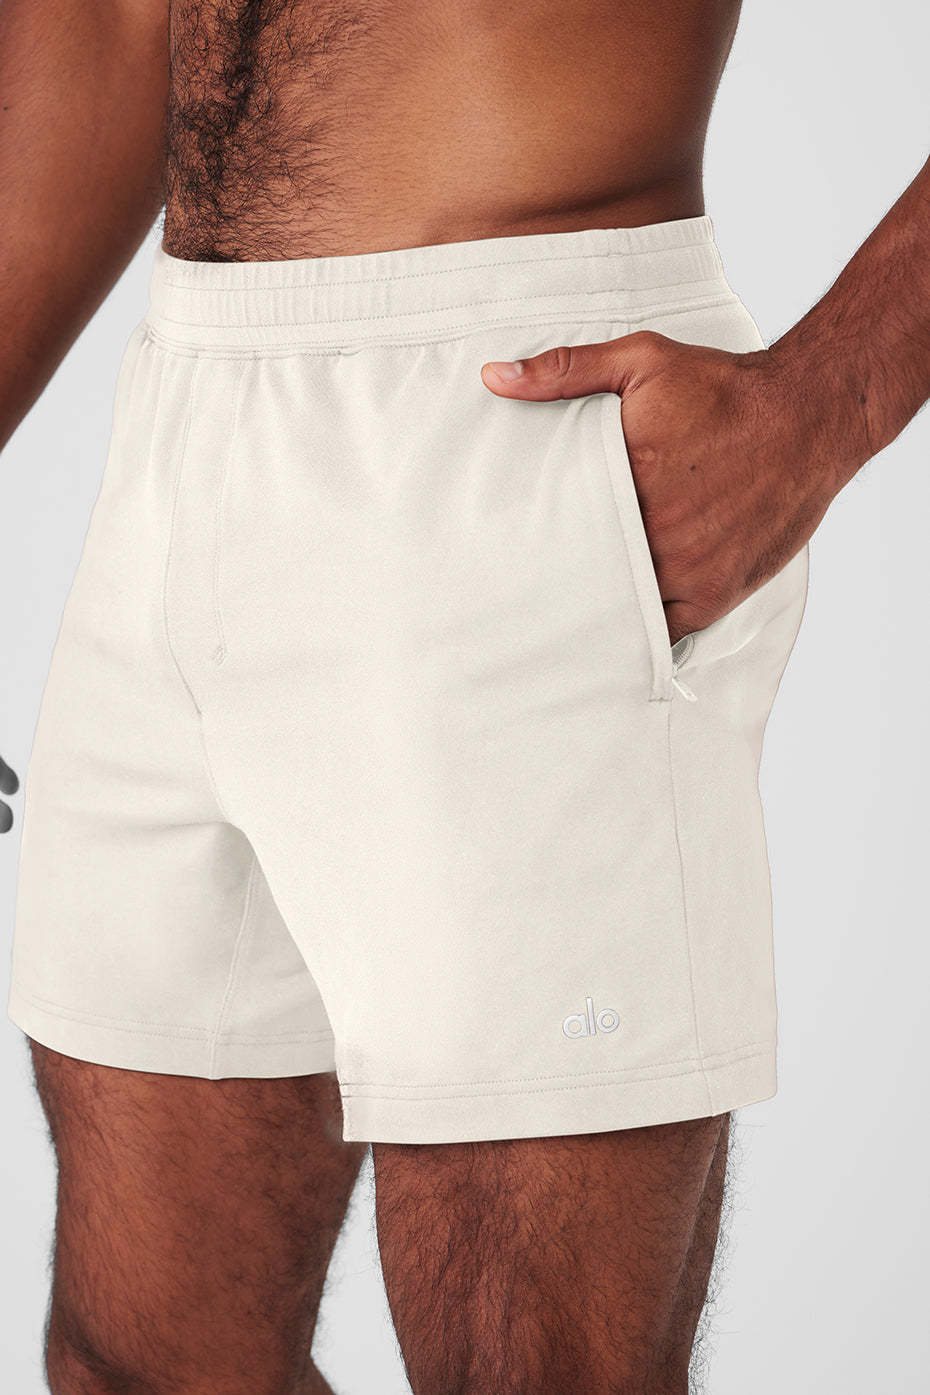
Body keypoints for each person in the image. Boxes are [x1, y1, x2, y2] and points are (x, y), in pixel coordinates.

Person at [2, 2, 927, 1391]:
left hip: (520, 394)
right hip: (180, 424)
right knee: (137, 1362)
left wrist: (827, 397)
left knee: (525, 1365)